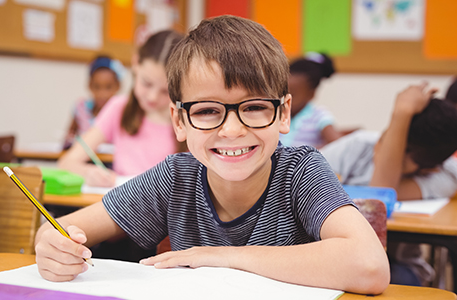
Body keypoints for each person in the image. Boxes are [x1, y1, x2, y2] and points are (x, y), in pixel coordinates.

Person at [35, 15, 389, 294]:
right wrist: (52, 245)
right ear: (179, 121)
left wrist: (221, 256)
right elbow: (65, 230)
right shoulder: (176, 176)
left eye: (253, 107)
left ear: (283, 113)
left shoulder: (300, 170)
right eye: (206, 111)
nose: (232, 130)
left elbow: (369, 266)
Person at [320, 83, 457, 286]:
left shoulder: (447, 173)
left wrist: (402, 112)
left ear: (427, 169)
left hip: (398, 265)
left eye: (395, 147)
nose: (381, 149)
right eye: (387, 135)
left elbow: (378, 197)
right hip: (336, 254)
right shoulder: (358, 145)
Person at [58, 30, 185, 187]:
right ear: (135, 63)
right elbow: (67, 162)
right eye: (146, 83)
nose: (152, 97)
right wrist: (88, 173)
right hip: (121, 206)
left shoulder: (188, 120)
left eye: (165, 91)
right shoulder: (118, 108)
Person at [279, 52, 341, 148]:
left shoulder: (319, 116)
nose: (286, 99)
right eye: (282, 93)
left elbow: (338, 144)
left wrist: (311, 152)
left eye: (293, 95)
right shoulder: (277, 113)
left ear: (311, 94)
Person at [63, 55, 126, 149]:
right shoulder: (81, 108)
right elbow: (69, 138)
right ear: (89, 85)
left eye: (108, 87)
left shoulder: (122, 111)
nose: (102, 94)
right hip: (82, 160)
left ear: (118, 86)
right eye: (97, 87)